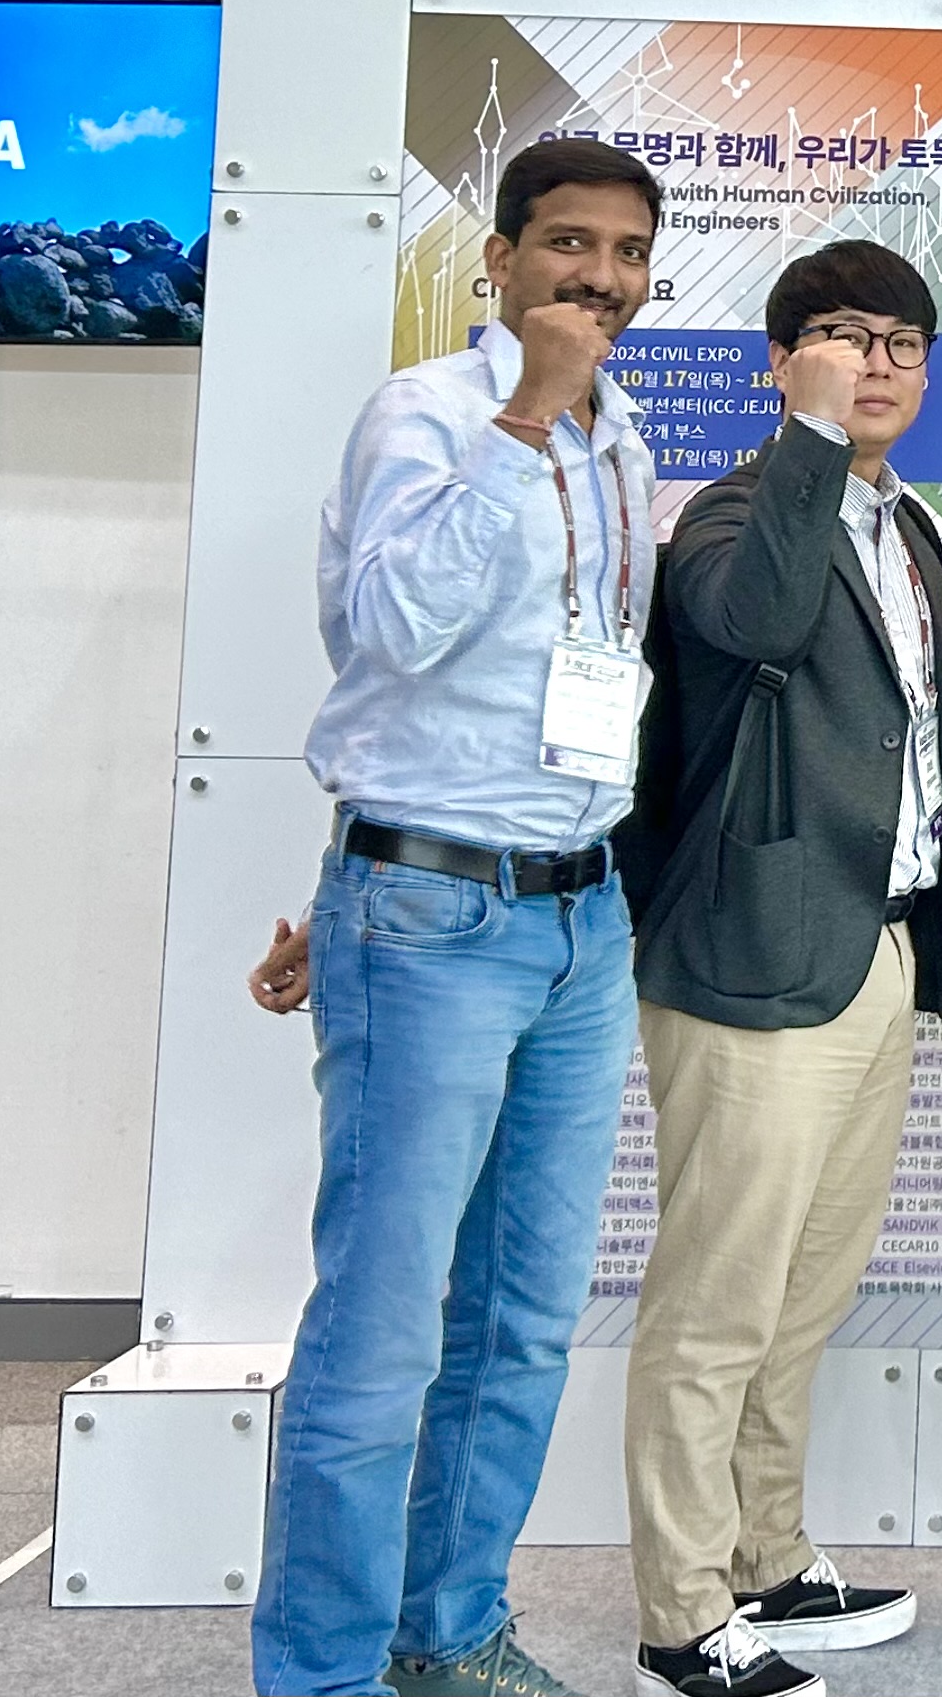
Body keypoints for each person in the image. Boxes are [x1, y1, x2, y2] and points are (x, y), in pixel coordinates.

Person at [255, 137, 662, 1697]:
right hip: (428, 914)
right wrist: (524, 415)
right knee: (382, 1332)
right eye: (568, 243)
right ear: (498, 259)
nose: (599, 278)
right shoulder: (429, 414)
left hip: (580, 920)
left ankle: (448, 1632)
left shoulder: (624, 448)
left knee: (526, 1318)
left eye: (628, 253)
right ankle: (322, 1674)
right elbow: (392, 630)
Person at [611, 239, 942, 1697]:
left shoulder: (912, 528)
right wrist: (813, 439)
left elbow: (921, 739)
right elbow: (755, 622)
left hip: (877, 947)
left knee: (804, 1292)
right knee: (716, 1303)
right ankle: (679, 1614)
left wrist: (941, 930)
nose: (874, 364)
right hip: (753, 952)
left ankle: (765, 1558)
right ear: (779, 362)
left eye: (900, 343)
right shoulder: (731, 509)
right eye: (840, 337)